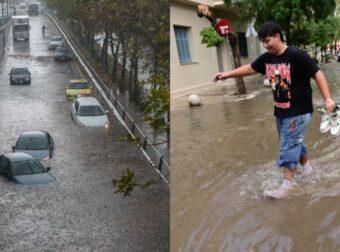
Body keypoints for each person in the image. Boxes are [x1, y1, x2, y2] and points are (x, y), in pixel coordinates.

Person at [213, 21, 336, 198]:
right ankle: (308, 170)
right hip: (281, 112)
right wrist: (227, 74)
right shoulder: (268, 58)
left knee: (288, 144)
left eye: (267, 40)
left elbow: (317, 73)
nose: (265, 45)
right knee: (294, 142)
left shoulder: (296, 55)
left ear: (278, 36)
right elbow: (249, 68)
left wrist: (327, 99)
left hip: (298, 112)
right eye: (262, 41)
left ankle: (288, 184)